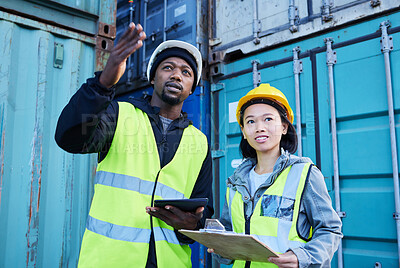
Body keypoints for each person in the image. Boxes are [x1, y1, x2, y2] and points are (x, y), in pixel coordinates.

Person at [55, 22, 213, 268]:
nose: (176, 75)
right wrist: (103, 84)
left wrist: (192, 226)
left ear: (192, 88)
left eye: (186, 72)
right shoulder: (119, 115)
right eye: (168, 67)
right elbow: (70, 137)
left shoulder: (200, 143)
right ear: (153, 77)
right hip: (110, 261)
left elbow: (203, 215)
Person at [209, 84, 342, 267]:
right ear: (243, 132)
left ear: (284, 127)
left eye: (268, 119)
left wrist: (303, 258)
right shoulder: (236, 182)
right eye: (250, 121)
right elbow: (230, 234)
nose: (259, 127)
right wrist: (220, 247)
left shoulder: (304, 173)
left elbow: (330, 229)